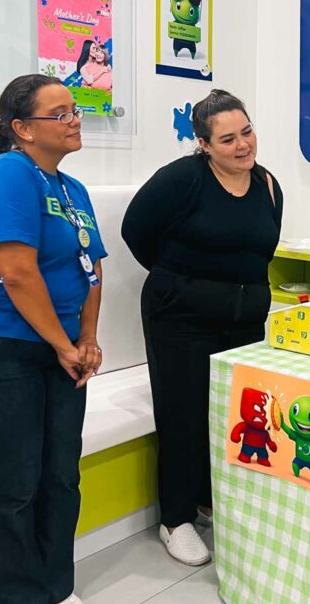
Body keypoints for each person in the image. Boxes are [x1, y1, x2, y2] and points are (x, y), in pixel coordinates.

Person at [121, 90, 283, 567]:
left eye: (247, 132)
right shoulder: (182, 179)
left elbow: (260, 250)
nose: (242, 145)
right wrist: (180, 280)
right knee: (183, 414)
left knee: (234, 414)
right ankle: (176, 518)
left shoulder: (268, 185)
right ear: (204, 145)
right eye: (228, 139)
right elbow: (135, 231)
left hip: (243, 321)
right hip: (180, 318)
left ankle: (212, 499)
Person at [0, 74, 106, 604]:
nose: (74, 119)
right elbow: (17, 273)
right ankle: (16, 600)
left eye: (75, 109)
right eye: (59, 113)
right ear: (23, 128)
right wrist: (63, 344)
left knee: (61, 473)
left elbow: (93, 268)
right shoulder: (7, 172)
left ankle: (57, 583)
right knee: (15, 479)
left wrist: (88, 338)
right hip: (10, 347)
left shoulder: (74, 188)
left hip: (65, 348)